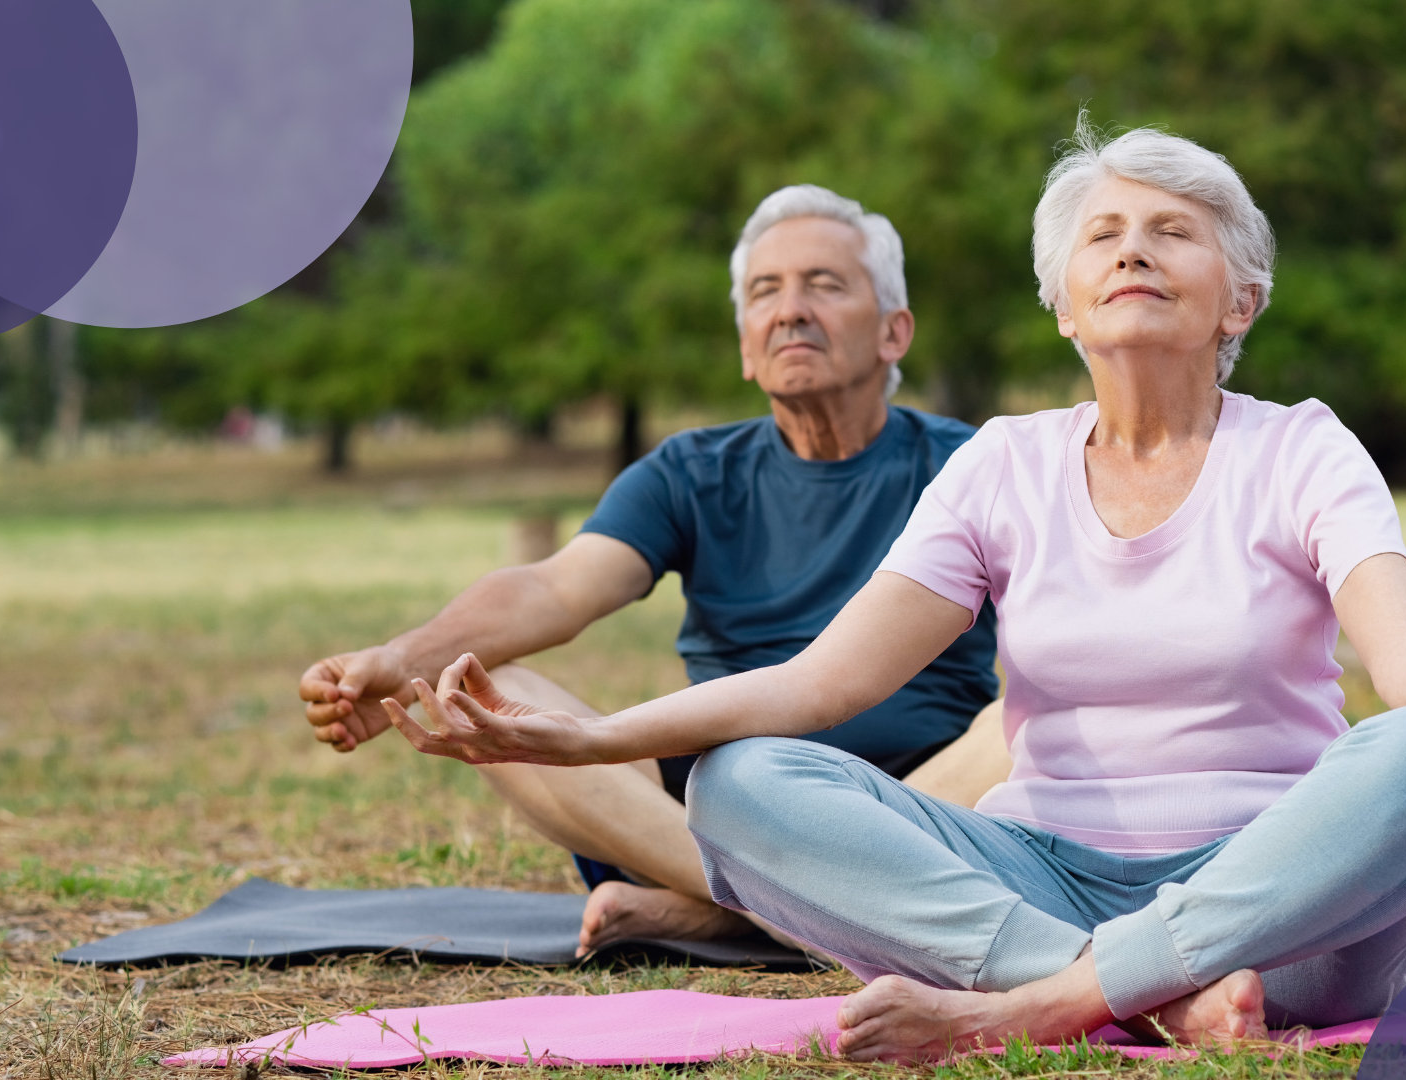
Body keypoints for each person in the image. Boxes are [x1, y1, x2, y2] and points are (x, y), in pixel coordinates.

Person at [379, 122, 1406, 1061]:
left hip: (1283, 905)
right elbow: (820, 687)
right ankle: (1120, 995)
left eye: (1175, 233)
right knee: (745, 781)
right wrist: (596, 736)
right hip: (1044, 882)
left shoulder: (1302, 446)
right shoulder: (1005, 467)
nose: (1135, 249)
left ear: (1239, 291)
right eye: (1105, 235)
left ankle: (1035, 1010)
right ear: (1064, 302)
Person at [298, 184, 1010, 957]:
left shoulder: (975, 464)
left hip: (922, 799)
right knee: (481, 689)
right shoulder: (689, 472)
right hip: (719, 805)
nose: (790, 310)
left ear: (894, 332)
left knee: (1025, 722)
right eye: (765, 292)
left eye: (825, 285)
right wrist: (405, 660)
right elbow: (555, 588)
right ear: (745, 343)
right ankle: (798, 910)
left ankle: (723, 913)